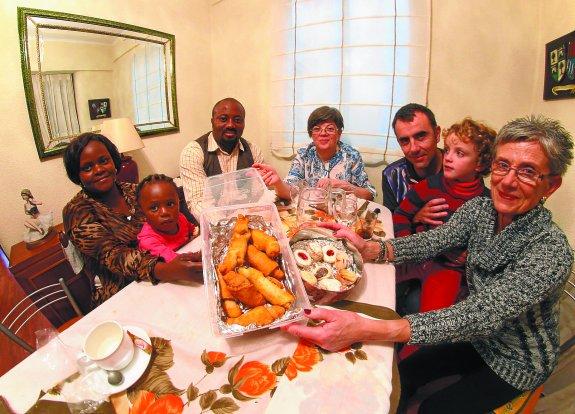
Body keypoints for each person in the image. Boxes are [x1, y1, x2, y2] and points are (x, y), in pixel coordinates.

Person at [282, 115, 574, 413]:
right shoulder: (481, 209)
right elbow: (432, 241)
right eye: (503, 165)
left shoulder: (549, 252)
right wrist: (370, 248)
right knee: (401, 375)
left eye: (527, 172)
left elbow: (480, 314)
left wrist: (366, 328)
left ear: (550, 186)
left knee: (431, 407)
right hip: (478, 338)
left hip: (514, 359)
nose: (508, 181)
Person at [393, 118, 496, 358]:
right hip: (416, 258)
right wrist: (408, 244)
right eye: (448, 150)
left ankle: (404, 371)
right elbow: (400, 215)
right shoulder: (430, 185)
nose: (448, 157)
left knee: (426, 327)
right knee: (376, 283)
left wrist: (471, 257)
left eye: (460, 153)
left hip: (447, 269)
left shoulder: (488, 202)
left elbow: (488, 246)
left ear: (480, 163)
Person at [63, 133, 202, 307]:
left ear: (114, 161)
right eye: (87, 167)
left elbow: (174, 218)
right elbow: (114, 256)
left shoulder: (135, 190)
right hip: (122, 291)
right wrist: (166, 270)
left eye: (104, 160)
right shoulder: (77, 211)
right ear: (77, 175)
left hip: (170, 266)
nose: (98, 169)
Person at [254, 106, 376, 201]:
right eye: (317, 129)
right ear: (311, 134)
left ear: (339, 133)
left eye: (330, 128)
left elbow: (369, 195)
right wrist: (278, 183)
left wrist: (346, 186)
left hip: (340, 216)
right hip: (310, 214)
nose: (323, 133)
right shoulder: (304, 154)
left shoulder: (351, 156)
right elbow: (291, 191)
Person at [180, 98, 265, 219]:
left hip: (248, 220)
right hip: (213, 226)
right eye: (223, 119)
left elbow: (260, 194)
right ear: (212, 121)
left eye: (237, 120)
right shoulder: (193, 152)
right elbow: (198, 203)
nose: (231, 125)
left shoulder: (253, 150)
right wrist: (228, 226)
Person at [382, 104, 447, 224]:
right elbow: (390, 225)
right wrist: (415, 218)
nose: (413, 149)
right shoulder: (392, 175)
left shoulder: (460, 169)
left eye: (420, 136)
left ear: (437, 134)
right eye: (405, 141)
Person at [136, 174, 198, 263]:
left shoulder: (180, 218)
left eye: (170, 204)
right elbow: (176, 263)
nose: (165, 212)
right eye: (154, 208)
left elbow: (193, 231)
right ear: (142, 212)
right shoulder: (148, 241)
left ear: (179, 201)